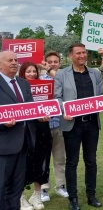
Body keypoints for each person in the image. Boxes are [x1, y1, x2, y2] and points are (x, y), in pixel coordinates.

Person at [54, 42, 103, 210]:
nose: (82, 56)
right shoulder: (61, 74)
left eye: (84, 53)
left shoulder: (95, 74)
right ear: (70, 56)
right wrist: (64, 110)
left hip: (91, 124)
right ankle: (73, 198)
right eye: (78, 53)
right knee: (72, 162)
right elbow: (57, 97)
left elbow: (100, 96)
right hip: (71, 124)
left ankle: (91, 195)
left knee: (91, 161)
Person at [0, 51, 37, 210]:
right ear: (0, 64)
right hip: (4, 145)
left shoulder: (23, 83)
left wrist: (39, 115)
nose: (14, 63)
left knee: (17, 187)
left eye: (16, 60)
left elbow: (30, 109)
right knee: (2, 188)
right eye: (10, 60)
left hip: (24, 143)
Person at [18, 62, 52, 210]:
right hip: (25, 130)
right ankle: (20, 198)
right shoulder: (17, 88)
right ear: (22, 74)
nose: (32, 74)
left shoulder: (44, 86)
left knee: (42, 160)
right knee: (23, 164)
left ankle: (37, 195)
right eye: (28, 72)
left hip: (42, 128)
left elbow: (51, 103)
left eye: (34, 71)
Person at [39, 51, 69, 202]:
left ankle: (61, 186)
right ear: (45, 62)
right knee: (43, 159)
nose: (52, 64)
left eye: (55, 61)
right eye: (49, 61)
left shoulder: (63, 78)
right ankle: (44, 188)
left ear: (60, 62)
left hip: (59, 124)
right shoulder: (39, 80)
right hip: (43, 125)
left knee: (59, 158)